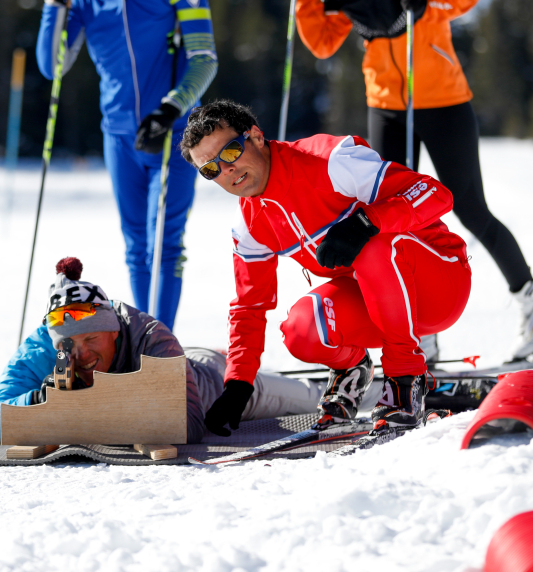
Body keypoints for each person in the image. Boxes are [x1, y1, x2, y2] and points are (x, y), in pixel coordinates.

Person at [286, 0, 532, 363]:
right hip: (388, 107)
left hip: (442, 99)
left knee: (468, 209)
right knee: (394, 221)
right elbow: (322, 42)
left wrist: (428, 3)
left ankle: (528, 300)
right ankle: (421, 331)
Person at [180, 99, 472, 434]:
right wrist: (238, 385)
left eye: (230, 152)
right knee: (301, 329)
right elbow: (250, 306)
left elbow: (435, 194)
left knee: (372, 243)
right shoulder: (249, 223)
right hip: (378, 304)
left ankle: (405, 380)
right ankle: (352, 371)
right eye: (211, 169)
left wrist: (368, 221)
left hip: (439, 282)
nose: (226, 169)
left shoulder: (329, 160)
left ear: (256, 137)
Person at [36, 0, 218, 330]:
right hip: (119, 135)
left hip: (173, 132)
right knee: (136, 244)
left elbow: (204, 59)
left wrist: (172, 106)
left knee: (166, 242)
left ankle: (163, 345)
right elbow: (52, 66)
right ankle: (149, 341)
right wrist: (53, 4)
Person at [0, 257, 331, 444]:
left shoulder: (150, 335)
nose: (81, 356)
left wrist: (92, 403)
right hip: (171, 381)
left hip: (212, 383)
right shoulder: (42, 350)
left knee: (311, 398)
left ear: (114, 331)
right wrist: (38, 402)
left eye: (91, 340)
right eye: (69, 345)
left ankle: (362, 389)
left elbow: (188, 426)